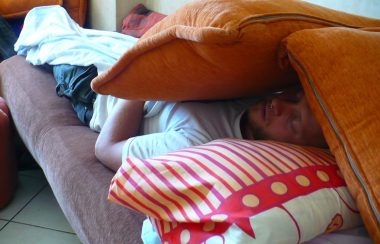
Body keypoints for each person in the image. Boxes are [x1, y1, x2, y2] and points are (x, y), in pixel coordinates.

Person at [95, 85, 327, 172]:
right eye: (294, 96)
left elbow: (106, 148)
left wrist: (138, 80)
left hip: (101, 96)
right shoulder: (255, 87)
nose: (279, 104)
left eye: (294, 119)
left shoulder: (196, 146)